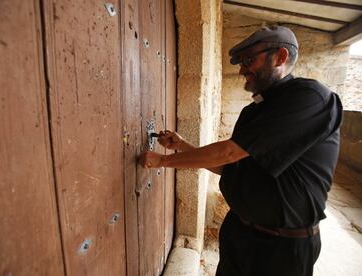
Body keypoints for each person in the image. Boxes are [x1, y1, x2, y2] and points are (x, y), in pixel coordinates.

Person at [139, 25, 342, 276]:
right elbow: (229, 167)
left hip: (283, 247)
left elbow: (228, 153)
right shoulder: (254, 111)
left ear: (280, 56)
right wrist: (181, 145)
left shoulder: (310, 98)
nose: (242, 69)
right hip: (239, 232)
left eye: (249, 60)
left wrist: (162, 162)